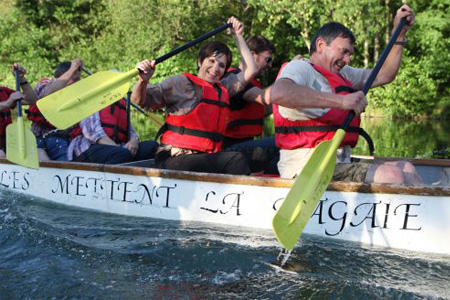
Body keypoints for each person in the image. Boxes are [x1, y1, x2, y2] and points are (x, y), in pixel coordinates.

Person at [270, 5, 423, 185]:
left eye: (350, 54)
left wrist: (400, 35)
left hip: (338, 164)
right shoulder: (301, 68)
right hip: (305, 169)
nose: (347, 60)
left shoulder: (344, 74)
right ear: (320, 45)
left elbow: (385, 74)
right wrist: (341, 101)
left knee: (407, 168)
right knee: (391, 176)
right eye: (343, 52)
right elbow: (278, 92)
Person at [131, 17, 257, 175]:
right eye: (211, 61)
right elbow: (138, 100)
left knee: (252, 155)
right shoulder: (181, 83)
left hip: (203, 158)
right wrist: (143, 81)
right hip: (173, 158)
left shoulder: (223, 88)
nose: (215, 68)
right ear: (199, 62)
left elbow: (250, 70)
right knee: (236, 159)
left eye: (221, 65)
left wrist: (237, 35)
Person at [222, 35, 280, 174]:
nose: (270, 65)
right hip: (229, 151)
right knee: (281, 142)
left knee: (283, 157)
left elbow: (265, 109)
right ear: (253, 55)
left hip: (243, 146)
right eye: (268, 59)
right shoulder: (236, 80)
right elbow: (265, 99)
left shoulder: (254, 84)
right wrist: (287, 76)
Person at [67, 93, 158, 164]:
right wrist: (121, 149)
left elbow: (132, 133)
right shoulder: (92, 101)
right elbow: (95, 135)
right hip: (87, 150)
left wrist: (134, 141)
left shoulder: (120, 106)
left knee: (152, 147)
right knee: (121, 154)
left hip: (117, 149)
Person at [27, 59, 83, 161]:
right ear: (64, 75)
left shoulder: (76, 95)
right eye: (74, 79)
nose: (76, 83)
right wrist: (73, 68)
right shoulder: (46, 83)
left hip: (64, 141)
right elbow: (45, 95)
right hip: (40, 139)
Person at [0, 63, 38, 157]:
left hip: (7, 145)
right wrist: (8, 102)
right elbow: (9, 102)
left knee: (37, 153)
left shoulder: (3, 91)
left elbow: (31, 100)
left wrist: (21, 79)